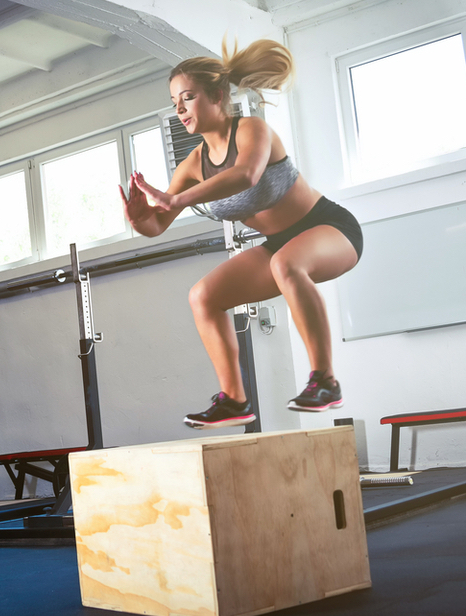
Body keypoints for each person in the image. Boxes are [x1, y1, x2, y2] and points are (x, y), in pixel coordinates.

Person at [119, 38, 363, 429]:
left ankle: (325, 381)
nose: (179, 109)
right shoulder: (194, 162)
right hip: (279, 246)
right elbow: (157, 224)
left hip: (329, 228)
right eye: (174, 102)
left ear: (217, 95)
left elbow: (244, 175)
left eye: (188, 97)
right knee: (203, 296)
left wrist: (174, 200)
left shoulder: (252, 130)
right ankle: (234, 400)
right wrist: (139, 218)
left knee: (287, 263)